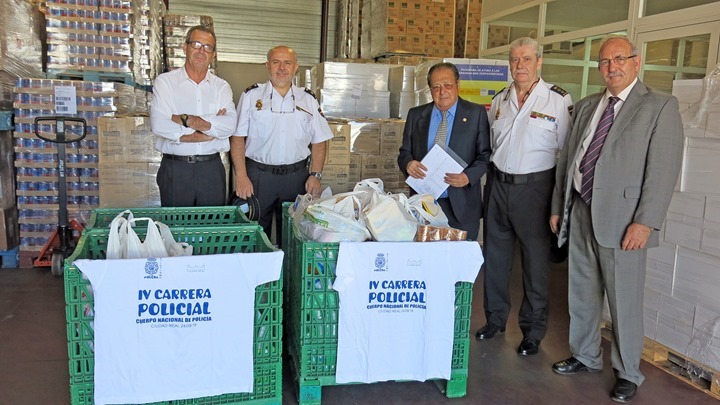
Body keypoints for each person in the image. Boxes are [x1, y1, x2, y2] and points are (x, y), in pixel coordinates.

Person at [549, 36, 683, 403]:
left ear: (636, 62)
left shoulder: (659, 106)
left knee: (623, 301)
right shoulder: (589, 105)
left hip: (624, 223)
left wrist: (645, 222)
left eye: (619, 59)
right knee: (581, 293)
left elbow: (662, 171)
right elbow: (569, 161)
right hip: (580, 211)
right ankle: (586, 355)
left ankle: (628, 372)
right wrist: (558, 207)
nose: (612, 67)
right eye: (605, 62)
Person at [475, 37, 573, 357]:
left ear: (539, 62)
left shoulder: (557, 100)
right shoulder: (500, 99)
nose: (520, 65)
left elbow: (568, 155)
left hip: (536, 190)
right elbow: (490, 144)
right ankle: (495, 320)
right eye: (515, 60)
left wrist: (559, 203)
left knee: (534, 264)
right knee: (496, 259)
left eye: (527, 59)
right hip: (498, 187)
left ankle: (532, 330)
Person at [231, 45, 333, 242]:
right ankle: (261, 274)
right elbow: (237, 138)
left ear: (296, 67)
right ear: (267, 65)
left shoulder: (308, 99)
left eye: (287, 63)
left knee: (294, 236)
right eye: (276, 62)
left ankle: (288, 273)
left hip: (296, 179)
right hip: (258, 178)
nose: (281, 68)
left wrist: (316, 175)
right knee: (254, 236)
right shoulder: (252, 97)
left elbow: (320, 140)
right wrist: (241, 176)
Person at [397, 62, 491, 240]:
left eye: (448, 85)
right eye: (436, 87)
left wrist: (468, 177)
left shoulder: (475, 114)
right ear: (430, 89)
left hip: (462, 206)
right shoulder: (416, 115)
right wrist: (408, 163)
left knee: (460, 264)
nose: (442, 92)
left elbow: (485, 155)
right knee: (424, 261)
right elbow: (404, 152)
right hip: (424, 205)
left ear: (458, 84)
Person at [150, 25, 237, 207]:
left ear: (213, 54)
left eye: (208, 47)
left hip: (211, 170)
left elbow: (229, 125)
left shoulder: (221, 87)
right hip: (176, 169)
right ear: (185, 47)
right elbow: (159, 125)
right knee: (175, 230)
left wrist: (186, 120)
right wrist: (211, 126)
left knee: (211, 229)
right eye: (196, 44)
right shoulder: (166, 82)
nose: (201, 51)